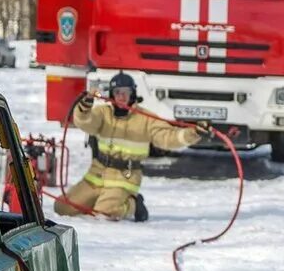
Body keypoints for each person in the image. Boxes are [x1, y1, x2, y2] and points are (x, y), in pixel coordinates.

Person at [54, 72, 206, 221]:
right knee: (62, 208)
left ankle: (134, 204)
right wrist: (84, 107)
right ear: (112, 94)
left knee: (104, 214)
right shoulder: (103, 113)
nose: (121, 96)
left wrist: (194, 133)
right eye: (117, 92)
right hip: (96, 176)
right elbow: (85, 122)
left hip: (124, 178)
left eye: (126, 92)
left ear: (133, 94)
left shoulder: (145, 118)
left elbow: (169, 137)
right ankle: (99, 200)